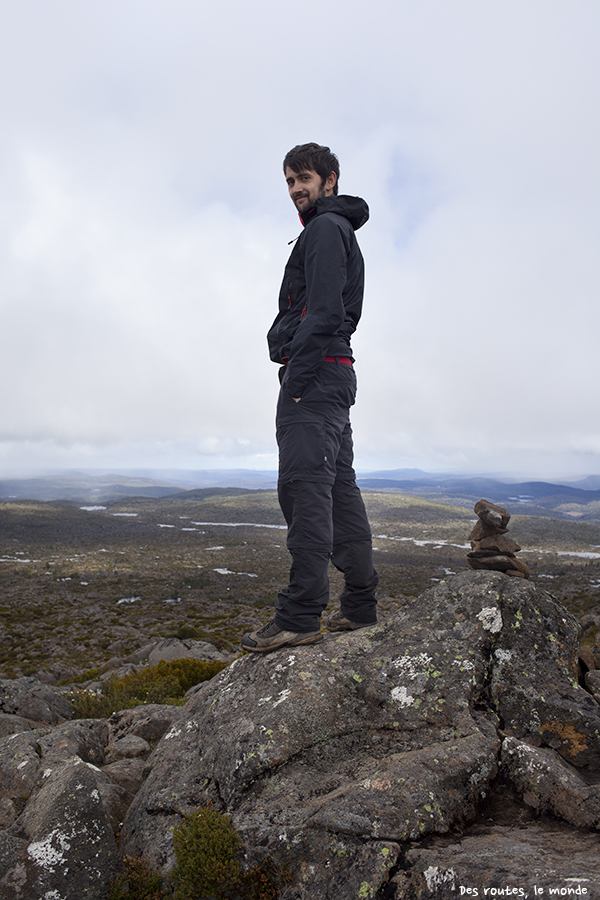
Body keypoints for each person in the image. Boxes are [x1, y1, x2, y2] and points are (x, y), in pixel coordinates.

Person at [241, 143, 378, 653]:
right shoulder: (338, 230)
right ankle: (361, 605)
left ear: (330, 180)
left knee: (304, 492)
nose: (296, 189)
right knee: (339, 490)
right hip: (335, 375)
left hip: (316, 380)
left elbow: (322, 312)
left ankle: (300, 616)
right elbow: (341, 314)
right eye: (289, 181)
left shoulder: (324, 228)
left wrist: (295, 379)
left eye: (304, 178)